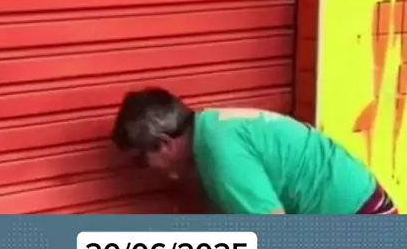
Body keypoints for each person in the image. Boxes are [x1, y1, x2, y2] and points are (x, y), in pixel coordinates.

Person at [111, 87, 399, 214]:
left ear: (164, 143)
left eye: (140, 161)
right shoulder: (211, 129)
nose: (146, 171)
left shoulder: (221, 156)